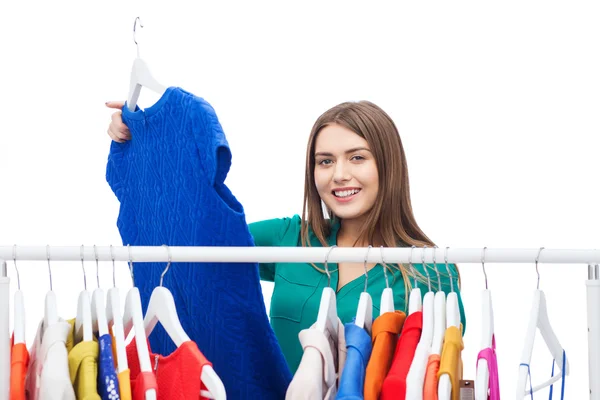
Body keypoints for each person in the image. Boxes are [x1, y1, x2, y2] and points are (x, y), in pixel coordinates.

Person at [105, 99, 466, 374]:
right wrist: (150, 139)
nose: (339, 174)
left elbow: (440, 377)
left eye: (357, 158)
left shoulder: (430, 271)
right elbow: (191, 238)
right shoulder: (289, 239)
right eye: (325, 161)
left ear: (388, 165)